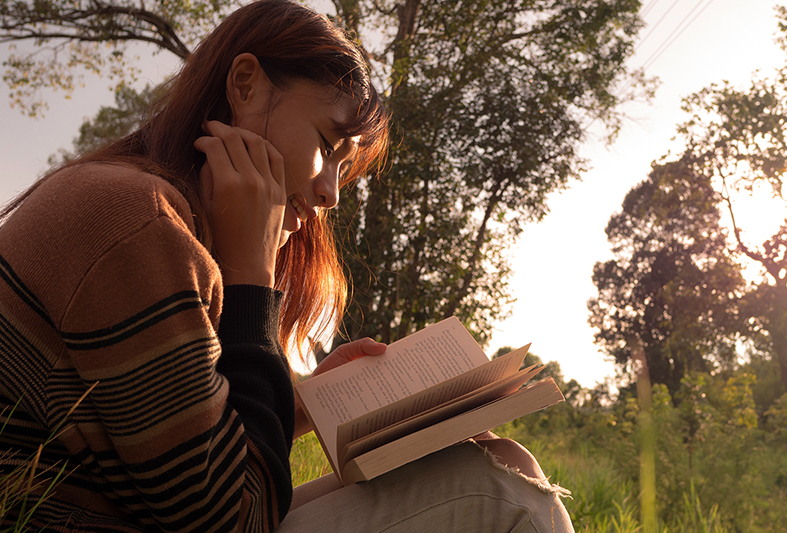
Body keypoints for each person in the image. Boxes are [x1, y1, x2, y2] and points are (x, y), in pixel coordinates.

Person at [0, 0, 574, 531]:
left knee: (502, 456)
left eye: (343, 171)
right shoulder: (138, 221)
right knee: (503, 493)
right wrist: (253, 278)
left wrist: (302, 406)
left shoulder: (152, 215)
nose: (331, 195)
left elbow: (179, 459)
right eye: (327, 145)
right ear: (245, 85)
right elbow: (232, 518)